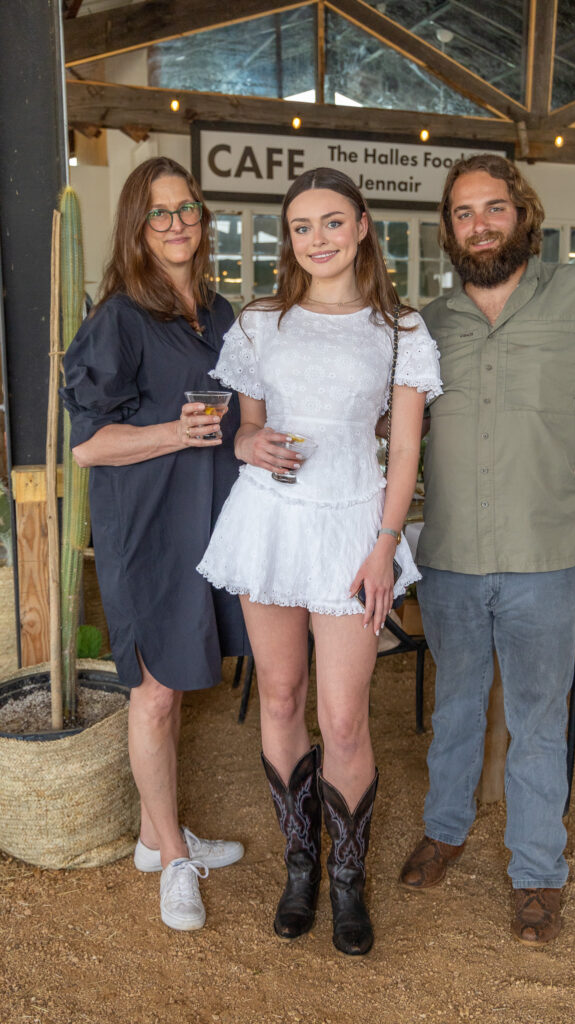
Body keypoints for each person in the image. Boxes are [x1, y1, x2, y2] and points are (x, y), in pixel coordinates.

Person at [399, 153, 575, 946]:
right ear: (448, 229)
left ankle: (536, 875)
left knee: (535, 720)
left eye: (494, 208)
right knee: (453, 710)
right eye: (463, 213)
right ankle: (445, 830)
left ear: (522, 215)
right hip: (451, 552)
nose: (479, 224)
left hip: (544, 554)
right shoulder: (427, 323)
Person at [198, 167, 441, 956]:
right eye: (301, 227)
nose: (317, 240)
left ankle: (347, 879)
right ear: (288, 238)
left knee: (340, 716)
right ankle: (299, 863)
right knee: (278, 696)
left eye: (331, 222)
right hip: (269, 519)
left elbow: (403, 447)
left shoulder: (401, 331)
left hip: (349, 528)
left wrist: (383, 548)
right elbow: (246, 429)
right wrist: (243, 441)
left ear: (363, 225)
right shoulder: (261, 322)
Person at [61, 157, 249, 932]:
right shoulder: (119, 318)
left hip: (207, 524)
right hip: (146, 532)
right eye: (157, 212)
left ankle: (151, 835)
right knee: (155, 692)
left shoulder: (219, 312)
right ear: (137, 228)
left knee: (175, 687)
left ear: (203, 219)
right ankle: (174, 858)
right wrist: (175, 430)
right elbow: (88, 447)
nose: (175, 223)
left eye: (187, 209)